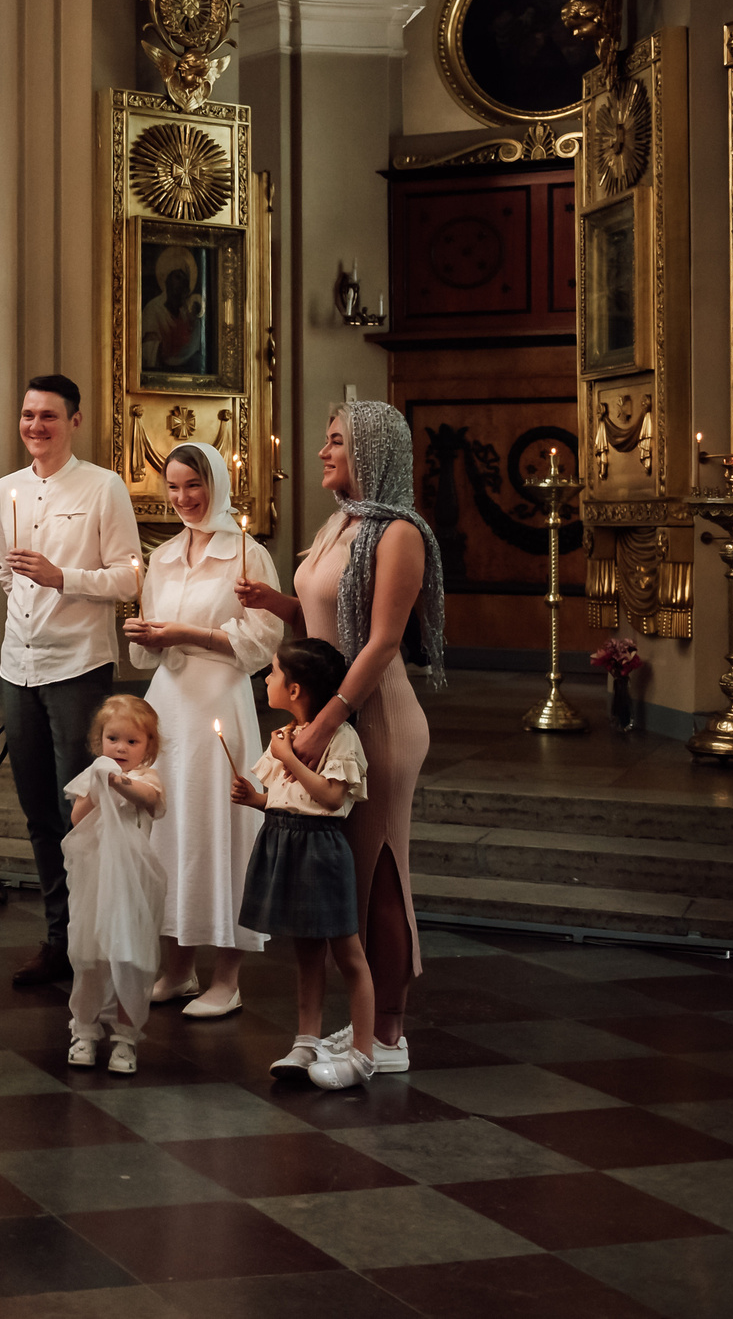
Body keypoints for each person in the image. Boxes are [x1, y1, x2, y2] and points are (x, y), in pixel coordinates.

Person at [234, 400, 443, 1075]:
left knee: (377, 875)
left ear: (373, 452)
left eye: (336, 443)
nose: (322, 453)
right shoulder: (341, 524)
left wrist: (327, 720)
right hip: (335, 712)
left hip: (375, 719)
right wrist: (280, 607)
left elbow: (381, 641)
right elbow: (328, 625)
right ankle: (351, 1028)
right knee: (337, 881)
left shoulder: (399, 534)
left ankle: (387, 1036)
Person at [0, 375, 144, 990]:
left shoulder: (103, 487)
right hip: (17, 664)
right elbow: (5, 574)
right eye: (28, 415)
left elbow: (130, 579)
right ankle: (59, 938)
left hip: (78, 662)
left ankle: (94, 938)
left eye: (49, 416)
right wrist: (30, 590)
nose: (36, 426)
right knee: (34, 807)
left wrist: (62, 578)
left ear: (74, 421)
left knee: (79, 805)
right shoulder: (6, 490)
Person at [124, 444, 280, 1019]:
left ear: (215, 483)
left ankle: (228, 977)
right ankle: (177, 967)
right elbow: (147, 659)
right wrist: (143, 634)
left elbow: (264, 643)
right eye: (174, 487)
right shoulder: (161, 556)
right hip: (167, 705)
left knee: (220, 832)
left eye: (195, 485)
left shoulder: (246, 553)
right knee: (168, 832)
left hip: (218, 699)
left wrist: (189, 633)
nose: (184, 498)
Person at [230, 638, 375, 1091]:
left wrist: (289, 757)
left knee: (347, 954)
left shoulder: (337, 737)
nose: (267, 679)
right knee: (305, 952)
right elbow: (289, 800)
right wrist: (255, 798)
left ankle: (365, 1052)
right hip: (285, 844)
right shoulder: (285, 736)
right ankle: (306, 1040)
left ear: (294, 690)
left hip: (320, 851)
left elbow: (331, 797)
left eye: (272, 673)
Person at [61, 695, 166, 1075]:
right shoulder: (94, 776)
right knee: (90, 957)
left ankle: (125, 1037)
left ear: (149, 748)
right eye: (112, 739)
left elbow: (149, 800)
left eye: (132, 742)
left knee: (130, 957)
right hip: (96, 881)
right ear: (99, 741)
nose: (120, 748)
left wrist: (117, 782)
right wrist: (97, 786)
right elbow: (77, 819)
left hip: (133, 887)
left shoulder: (145, 778)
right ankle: (85, 1030)